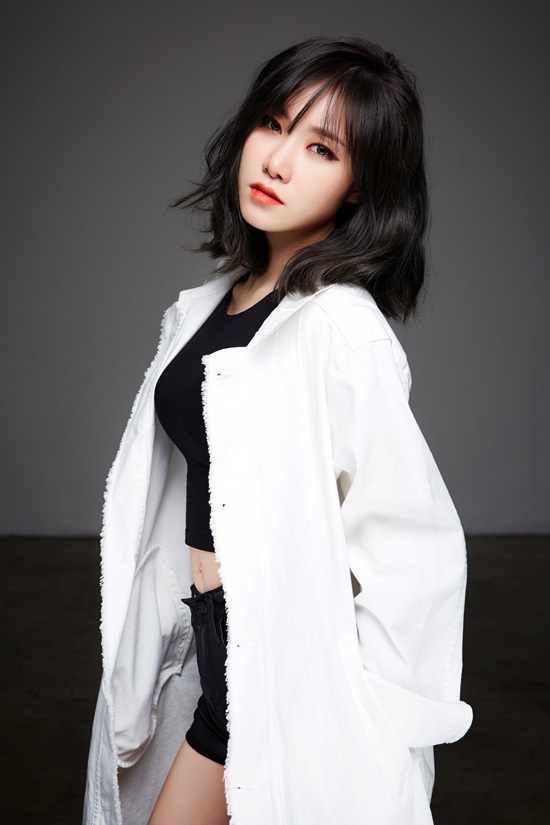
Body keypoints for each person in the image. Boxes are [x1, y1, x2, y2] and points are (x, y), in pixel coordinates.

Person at [83, 35, 473, 825]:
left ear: (360, 189)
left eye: (322, 149)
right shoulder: (209, 304)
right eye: (273, 124)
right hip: (211, 644)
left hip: (281, 665)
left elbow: (413, 547)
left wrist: (377, 722)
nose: (279, 161)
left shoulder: (341, 331)